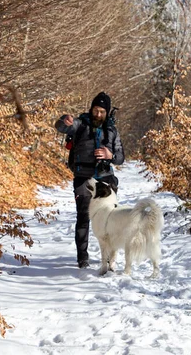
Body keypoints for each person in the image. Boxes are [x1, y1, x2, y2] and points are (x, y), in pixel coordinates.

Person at [55, 92, 125, 268]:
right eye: (96, 110)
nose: (98, 114)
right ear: (91, 109)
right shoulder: (80, 124)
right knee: (83, 217)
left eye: (102, 111)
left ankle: (110, 257)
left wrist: (110, 155)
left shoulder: (112, 131)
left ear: (107, 112)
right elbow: (61, 126)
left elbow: (121, 158)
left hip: (105, 180)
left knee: (111, 219)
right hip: (83, 178)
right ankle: (82, 258)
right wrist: (65, 120)